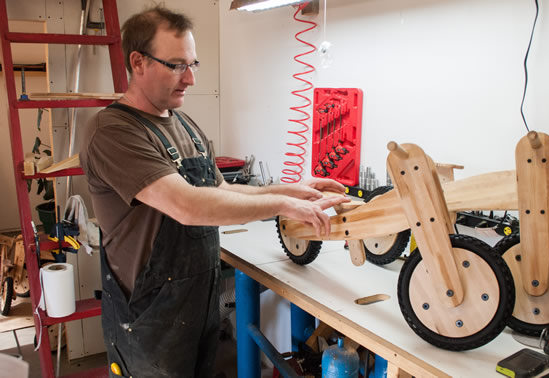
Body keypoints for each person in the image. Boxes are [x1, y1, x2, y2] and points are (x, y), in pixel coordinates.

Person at [79, 5, 348, 377]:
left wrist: (294, 190)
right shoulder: (113, 132)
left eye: (193, 64)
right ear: (137, 62)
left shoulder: (184, 125)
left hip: (197, 306)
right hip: (148, 321)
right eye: (176, 65)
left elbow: (221, 190)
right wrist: (281, 206)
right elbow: (187, 205)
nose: (189, 78)